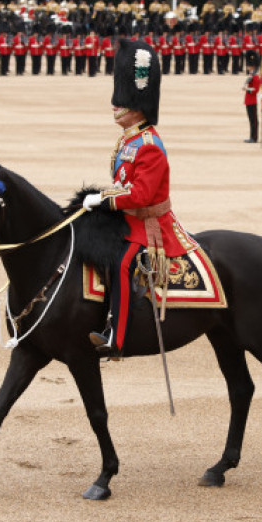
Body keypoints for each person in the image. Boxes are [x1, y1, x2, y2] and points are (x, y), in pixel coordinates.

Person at [82, 39, 198, 355]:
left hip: (150, 223)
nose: (114, 105)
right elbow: (124, 183)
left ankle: (116, 339)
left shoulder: (149, 145)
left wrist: (105, 201)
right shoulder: (128, 139)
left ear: (137, 106)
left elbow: (142, 195)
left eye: (121, 101)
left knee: (121, 264)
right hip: (127, 216)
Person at [241, 50, 262, 143]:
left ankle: (254, 137)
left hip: (252, 100)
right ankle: (252, 136)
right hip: (248, 100)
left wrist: (247, 89)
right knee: (251, 120)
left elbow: (256, 89)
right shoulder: (251, 75)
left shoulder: (256, 76)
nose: (248, 67)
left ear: (253, 66)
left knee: (253, 120)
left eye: (249, 65)